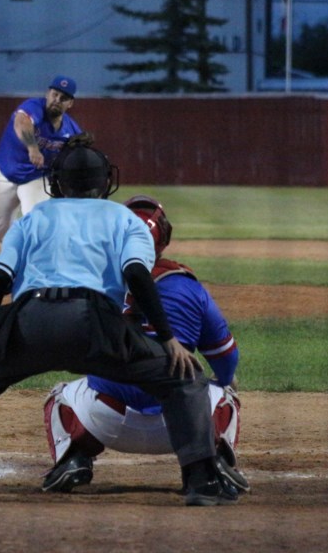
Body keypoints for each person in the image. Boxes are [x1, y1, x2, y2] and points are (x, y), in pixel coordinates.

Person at [0, 135, 238, 506]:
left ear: (57, 182)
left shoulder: (34, 218)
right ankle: (200, 481)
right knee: (185, 377)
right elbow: (137, 276)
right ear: (106, 181)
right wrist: (167, 338)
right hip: (95, 326)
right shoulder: (123, 219)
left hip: (28, 322)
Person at [41, 195, 249, 495]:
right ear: (164, 238)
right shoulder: (188, 287)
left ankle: (72, 460)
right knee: (226, 393)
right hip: (183, 423)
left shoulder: (93, 281)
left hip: (104, 418)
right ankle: (214, 463)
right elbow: (227, 358)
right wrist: (225, 380)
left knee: (60, 394)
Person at [0, 75, 82, 242]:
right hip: (5, 172)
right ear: (47, 94)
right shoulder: (33, 107)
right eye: (54, 94)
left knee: (37, 224)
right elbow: (21, 122)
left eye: (63, 98)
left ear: (70, 103)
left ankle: (36, 258)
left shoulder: (71, 129)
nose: (57, 100)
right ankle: (19, 247)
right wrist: (32, 147)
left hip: (36, 177)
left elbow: (76, 157)